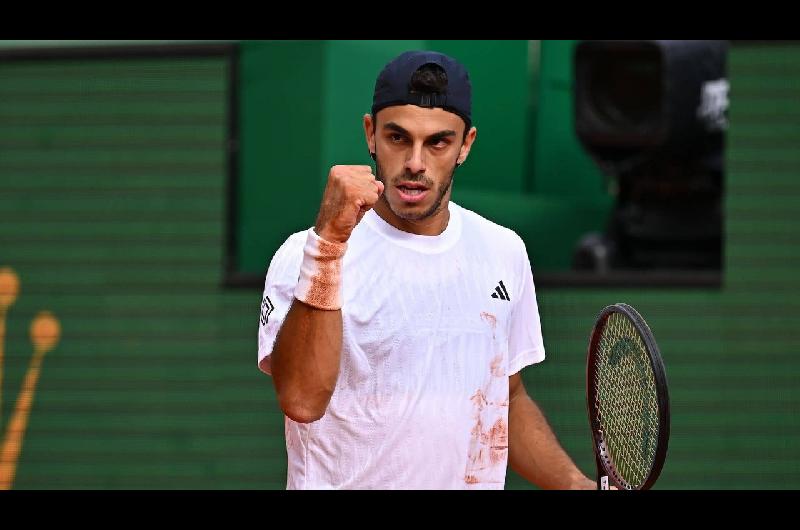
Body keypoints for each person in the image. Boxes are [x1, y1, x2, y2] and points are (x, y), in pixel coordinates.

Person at [258, 50, 595, 490]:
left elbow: (505, 398)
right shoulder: (307, 253)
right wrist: (329, 247)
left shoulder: (503, 251)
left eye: (438, 142)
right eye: (398, 138)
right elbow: (301, 400)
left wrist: (574, 484)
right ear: (370, 135)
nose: (415, 162)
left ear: (465, 145)